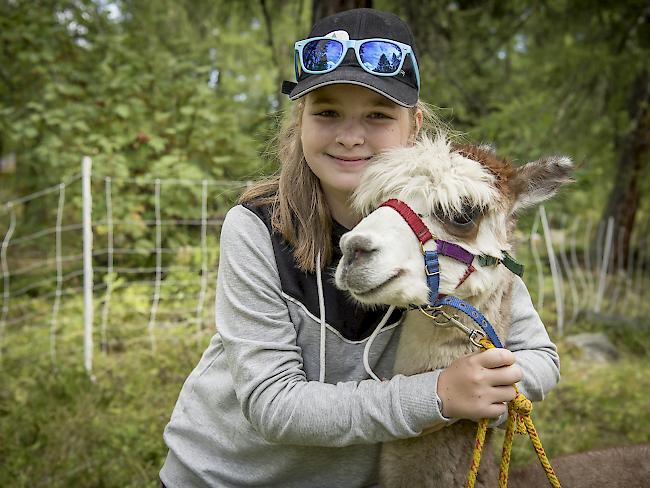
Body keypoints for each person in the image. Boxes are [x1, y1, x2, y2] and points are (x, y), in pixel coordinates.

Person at [160, 8, 560, 488]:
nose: (350, 136)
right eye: (327, 112)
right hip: (224, 477)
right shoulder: (256, 228)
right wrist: (438, 395)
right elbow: (273, 403)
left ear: (413, 125)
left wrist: (485, 388)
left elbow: (538, 358)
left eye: (377, 115)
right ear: (300, 121)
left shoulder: (456, 226)